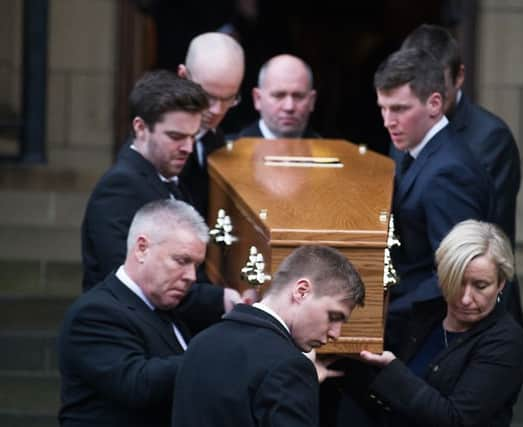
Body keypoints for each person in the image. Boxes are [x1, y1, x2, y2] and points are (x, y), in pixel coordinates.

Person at [400, 24, 523, 351]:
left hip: (469, 304)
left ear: (459, 77)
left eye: (437, 82)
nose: (428, 92)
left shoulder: (489, 139)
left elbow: (483, 238)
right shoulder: (407, 122)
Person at [81, 71, 243, 321]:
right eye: (176, 137)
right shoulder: (119, 188)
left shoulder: (165, 178)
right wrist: (219, 299)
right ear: (141, 127)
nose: (188, 148)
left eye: (192, 136)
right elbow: (131, 282)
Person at [339, 219, 523, 427]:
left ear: (500, 284)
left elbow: (456, 420)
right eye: (457, 282)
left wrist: (392, 369)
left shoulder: (507, 341)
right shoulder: (425, 315)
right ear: (441, 278)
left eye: (480, 286)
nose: (466, 298)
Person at [60, 200, 228, 427]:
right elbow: (136, 384)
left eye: (195, 266)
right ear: (142, 248)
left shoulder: (165, 305)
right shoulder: (95, 313)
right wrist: (217, 356)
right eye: (181, 261)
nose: (191, 276)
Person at [374, 48, 495, 351]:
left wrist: (381, 311)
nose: (388, 121)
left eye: (400, 109)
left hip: (424, 332)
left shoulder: (449, 172)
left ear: (435, 104)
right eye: (383, 108)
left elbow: (455, 272)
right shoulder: (415, 152)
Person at [172, 245, 366, 427]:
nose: (335, 333)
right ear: (302, 291)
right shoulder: (290, 367)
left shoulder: (202, 341)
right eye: (333, 316)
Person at [177, 32, 245, 221]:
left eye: (228, 98)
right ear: (183, 77)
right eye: (207, 96)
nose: (217, 110)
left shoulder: (216, 140)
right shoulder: (155, 143)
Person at [233, 54, 320, 139]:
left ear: (312, 101)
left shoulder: (329, 152)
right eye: (279, 96)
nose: (289, 107)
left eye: (298, 96)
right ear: (258, 99)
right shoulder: (230, 151)